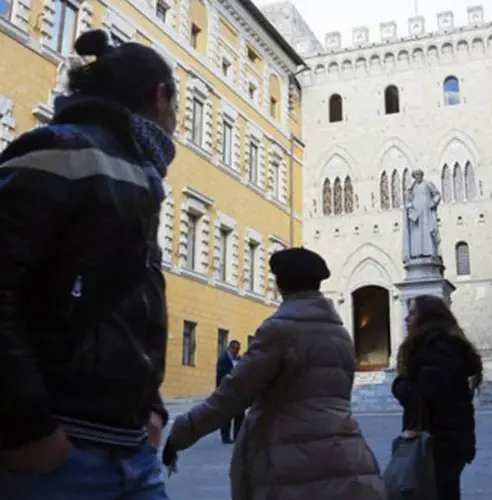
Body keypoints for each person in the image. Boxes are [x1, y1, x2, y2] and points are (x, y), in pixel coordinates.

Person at [0, 30, 176, 499]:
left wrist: (150, 405)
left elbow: (124, 305)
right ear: (160, 98)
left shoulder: (137, 175)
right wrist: (28, 427)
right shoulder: (60, 150)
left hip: (128, 448)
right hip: (62, 454)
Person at [163, 247, 385, 500]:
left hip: (291, 464)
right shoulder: (342, 336)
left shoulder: (278, 331)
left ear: (280, 284)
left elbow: (232, 395)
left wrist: (181, 432)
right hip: (347, 457)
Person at [392, 294, 483, 500]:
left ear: (427, 317)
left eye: (412, 313)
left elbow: (425, 392)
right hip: (447, 441)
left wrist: (399, 384)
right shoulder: (444, 345)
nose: (407, 319)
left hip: (437, 443)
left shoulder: (436, 347)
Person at [217, 340, 244, 444]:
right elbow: (220, 375)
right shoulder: (223, 358)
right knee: (226, 415)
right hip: (226, 391)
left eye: (239, 349)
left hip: (238, 391)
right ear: (231, 348)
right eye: (236, 349)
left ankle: (237, 436)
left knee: (240, 415)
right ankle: (226, 437)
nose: (237, 351)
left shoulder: (240, 359)